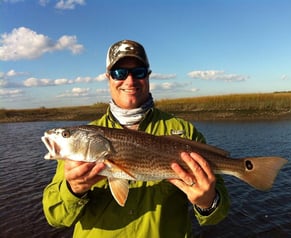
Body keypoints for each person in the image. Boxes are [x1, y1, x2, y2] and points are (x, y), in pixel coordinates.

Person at [43, 39, 230, 237]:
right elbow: (55, 217)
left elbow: (219, 213)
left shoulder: (184, 131)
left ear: (148, 76)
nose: (130, 81)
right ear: (108, 78)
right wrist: (73, 190)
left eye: (138, 72)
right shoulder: (83, 142)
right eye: (119, 73)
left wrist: (207, 202)